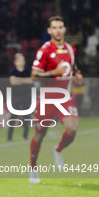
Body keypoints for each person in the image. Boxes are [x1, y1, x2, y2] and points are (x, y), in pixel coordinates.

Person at [30, 16, 83, 184]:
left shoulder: (70, 49)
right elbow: (34, 74)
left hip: (65, 96)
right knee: (40, 134)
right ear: (49, 31)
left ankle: (58, 149)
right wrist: (54, 72)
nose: (58, 30)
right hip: (47, 98)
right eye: (54, 27)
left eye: (60, 27)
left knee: (72, 128)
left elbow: (72, 67)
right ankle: (33, 168)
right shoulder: (44, 50)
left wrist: (77, 75)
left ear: (64, 29)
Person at [7, 53, 33, 141]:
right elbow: (13, 82)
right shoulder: (13, 70)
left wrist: (19, 80)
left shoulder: (27, 70)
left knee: (26, 116)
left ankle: (25, 136)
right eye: (19, 60)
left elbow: (31, 81)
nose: (21, 62)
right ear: (15, 62)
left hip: (26, 96)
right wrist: (24, 81)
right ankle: (9, 136)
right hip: (16, 96)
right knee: (13, 116)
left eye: (23, 60)